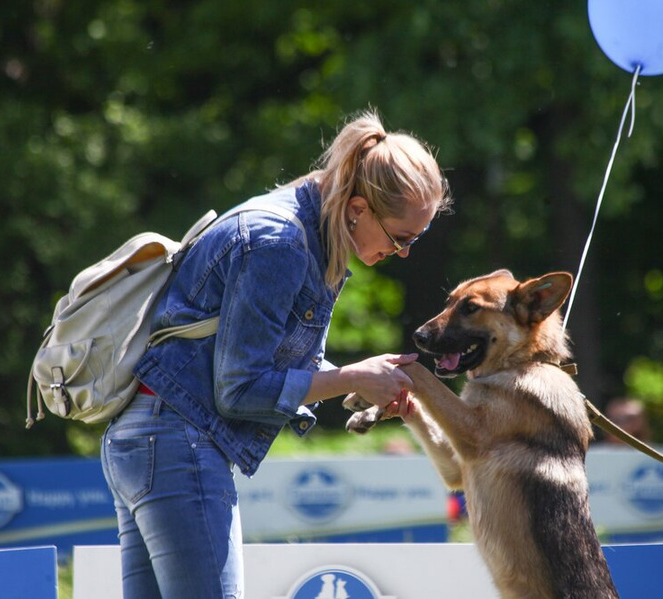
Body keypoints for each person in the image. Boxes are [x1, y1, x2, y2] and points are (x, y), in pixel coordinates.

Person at [100, 109, 452, 599]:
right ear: (357, 209)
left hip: (148, 439)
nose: (406, 252)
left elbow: (269, 364)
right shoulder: (281, 242)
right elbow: (240, 388)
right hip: (177, 444)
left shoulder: (308, 229)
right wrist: (353, 376)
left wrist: (364, 382)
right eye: (402, 238)